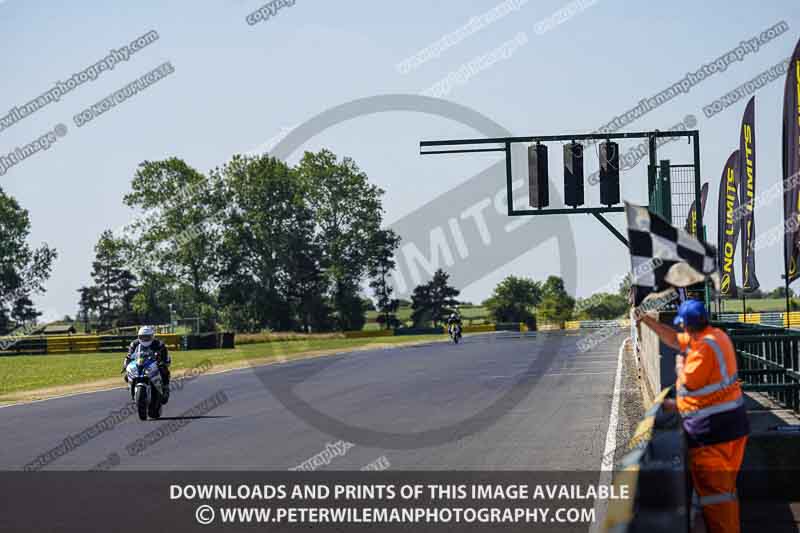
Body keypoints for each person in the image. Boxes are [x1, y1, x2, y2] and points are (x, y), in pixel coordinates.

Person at [639, 299, 749, 533]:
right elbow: (673, 339)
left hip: (713, 435)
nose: (682, 331)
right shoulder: (714, 336)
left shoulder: (704, 348)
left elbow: (689, 382)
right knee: (724, 491)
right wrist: (646, 319)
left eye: (683, 327)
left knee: (716, 498)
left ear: (688, 326)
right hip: (732, 428)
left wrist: (679, 365)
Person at [122, 325, 172, 403]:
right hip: (140, 362)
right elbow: (129, 355)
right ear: (139, 336)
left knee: (164, 370)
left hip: (154, 363)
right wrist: (125, 365)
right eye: (142, 337)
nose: (145, 339)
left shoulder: (159, 344)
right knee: (126, 376)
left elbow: (165, 356)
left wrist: (162, 362)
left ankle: (165, 388)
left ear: (152, 336)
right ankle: (132, 388)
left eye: (147, 337)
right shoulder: (134, 344)